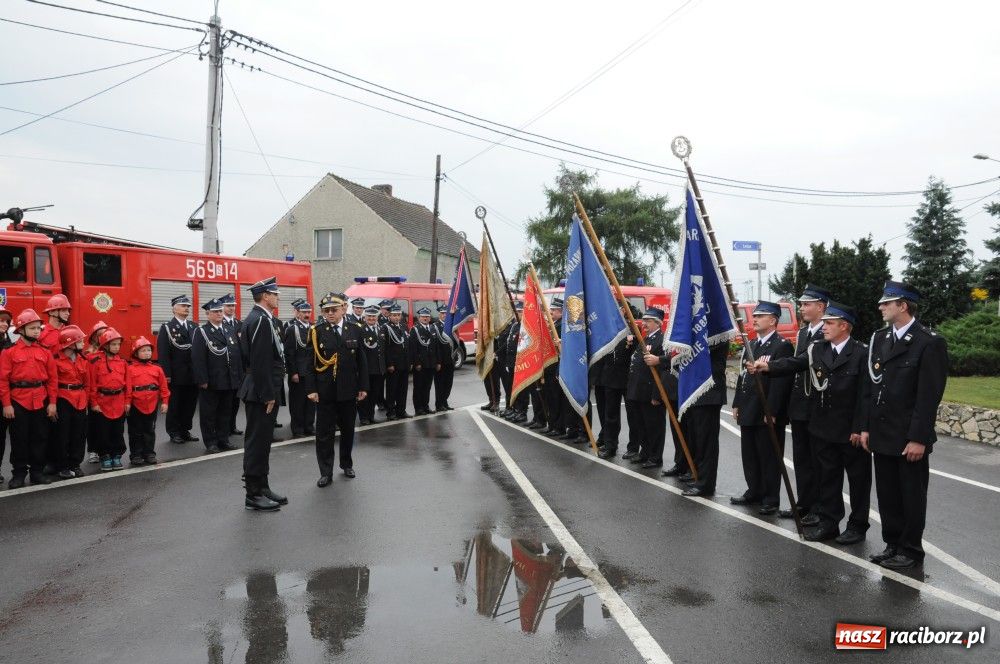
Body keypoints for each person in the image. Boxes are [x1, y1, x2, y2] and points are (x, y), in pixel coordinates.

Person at [755, 301, 872, 543]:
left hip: (849, 429)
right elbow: (796, 364)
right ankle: (829, 522)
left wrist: (860, 428)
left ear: (844, 326)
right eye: (825, 322)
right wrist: (769, 366)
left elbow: (865, 395)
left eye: (830, 323)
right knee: (828, 478)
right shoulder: (818, 349)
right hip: (822, 426)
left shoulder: (861, 352)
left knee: (858, 481)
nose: (825, 327)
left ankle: (857, 525)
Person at [862, 281, 948, 569]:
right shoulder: (881, 338)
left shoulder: (928, 342)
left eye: (888, 302)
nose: (881, 306)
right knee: (887, 495)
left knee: (911, 496)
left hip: (907, 435)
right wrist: (866, 427)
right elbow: (872, 389)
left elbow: (928, 396)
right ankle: (892, 543)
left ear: (904, 305)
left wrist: (919, 438)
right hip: (883, 433)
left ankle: (910, 550)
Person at [730, 301, 794, 515]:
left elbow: (781, 381)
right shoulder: (753, 345)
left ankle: (770, 497)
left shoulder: (781, 345)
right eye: (754, 316)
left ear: (773, 320)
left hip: (766, 409)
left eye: (760, 316)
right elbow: (743, 375)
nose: (754, 319)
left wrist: (773, 411)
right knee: (750, 454)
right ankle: (754, 491)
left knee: (768, 455)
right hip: (749, 407)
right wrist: (737, 402)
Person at [780, 284, 831, 523]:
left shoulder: (827, 333)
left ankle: (819, 509)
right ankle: (804, 504)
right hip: (800, 405)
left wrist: (770, 366)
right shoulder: (803, 333)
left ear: (820, 307)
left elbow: (802, 362)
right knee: (801, 459)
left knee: (818, 460)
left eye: (806, 304)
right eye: (801, 304)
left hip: (817, 405)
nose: (801, 308)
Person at [305, 293, 369, 486]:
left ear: (343, 309)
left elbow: (361, 361)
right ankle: (326, 472)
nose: (330, 314)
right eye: (326, 311)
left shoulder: (355, 329)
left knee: (348, 430)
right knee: (324, 433)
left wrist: (363, 386)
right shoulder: (317, 331)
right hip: (325, 391)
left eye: (334, 310)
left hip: (348, 390)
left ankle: (346, 463)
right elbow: (310, 363)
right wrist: (311, 389)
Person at [238, 277, 288, 511]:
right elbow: (260, 361)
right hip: (261, 392)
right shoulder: (259, 321)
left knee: (263, 442)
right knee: (256, 443)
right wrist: (268, 394)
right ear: (265, 296)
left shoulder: (264, 319)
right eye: (275, 294)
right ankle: (253, 494)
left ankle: (263, 486)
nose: (278, 298)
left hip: (266, 389)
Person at [0, 309, 57, 488]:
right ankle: (18, 474)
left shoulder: (45, 352)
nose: (36, 331)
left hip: (40, 400)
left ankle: (37, 473)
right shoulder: (9, 352)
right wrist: (7, 405)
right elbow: (2, 380)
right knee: (19, 440)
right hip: (18, 401)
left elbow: (53, 379)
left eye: (38, 328)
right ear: (21, 330)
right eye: (32, 328)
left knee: (40, 438)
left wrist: (53, 403)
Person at [677, 341, 729, 496]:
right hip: (694, 392)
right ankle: (698, 476)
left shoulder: (717, 332)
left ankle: (706, 484)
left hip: (709, 393)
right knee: (697, 440)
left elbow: (702, 352)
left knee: (707, 443)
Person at [193, 298, 243, 454]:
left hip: (229, 379)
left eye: (220, 311)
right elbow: (198, 358)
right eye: (215, 311)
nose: (219, 314)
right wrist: (202, 380)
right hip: (212, 380)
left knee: (225, 412)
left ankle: (223, 439)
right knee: (209, 413)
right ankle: (211, 442)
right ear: (208, 314)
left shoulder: (229, 329)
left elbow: (236, 355)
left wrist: (239, 377)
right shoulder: (202, 332)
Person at [625, 309, 667, 469]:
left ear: (658, 323)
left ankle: (655, 457)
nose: (644, 324)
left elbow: (664, 369)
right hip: (638, 391)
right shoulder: (646, 339)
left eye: (648, 321)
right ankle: (645, 452)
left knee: (654, 426)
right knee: (641, 424)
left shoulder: (661, 341)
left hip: (651, 392)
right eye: (643, 320)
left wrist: (657, 394)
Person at [157, 294, 200, 445]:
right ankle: (174, 432)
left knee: (190, 404)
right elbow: (163, 354)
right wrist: (166, 374)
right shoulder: (167, 328)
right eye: (183, 306)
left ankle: (185, 430)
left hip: (192, 374)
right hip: (176, 375)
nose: (186, 308)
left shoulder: (194, 327)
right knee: (175, 404)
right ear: (174, 309)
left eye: (188, 306)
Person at [88, 328, 131, 473]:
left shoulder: (123, 363)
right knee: (103, 432)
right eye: (113, 345)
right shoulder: (96, 361)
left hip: (118, 401)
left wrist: (127, 402)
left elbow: (128, 384)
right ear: (105, 345)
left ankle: (116, 455)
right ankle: (105, 456)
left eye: (118, 344)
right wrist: (93, 403)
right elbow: (92, 384)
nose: (117, 347)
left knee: (117, 431)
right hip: (102, 402)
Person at [51, 325, 89, 479]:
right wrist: (52, 403)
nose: (83, 343)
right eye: (80, 340)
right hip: (63, 398)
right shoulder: (56, 360)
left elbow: (88, 382)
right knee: (62, 434)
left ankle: (75, 464)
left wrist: (88, 400)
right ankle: (63, 466)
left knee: (79, 434)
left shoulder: (83, 359)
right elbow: (52, 384)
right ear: (70, 343)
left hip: (80, 398)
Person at [595, 304, 633, 459]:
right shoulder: (608, 328)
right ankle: (610, 445)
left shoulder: (631, 329)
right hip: (610, 378)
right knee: (610, 415)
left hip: (627, 378)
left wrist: (633, 341)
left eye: (618, 308)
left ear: (624, 310)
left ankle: (634, 448)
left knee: (633, 416)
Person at [127, 336, 169, 466]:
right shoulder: (130, 369)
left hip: (151, 404)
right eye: (143, 350)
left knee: (149, 430)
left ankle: (149, 453)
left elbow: (163, 387)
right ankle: (136, 455)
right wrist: (127, 403)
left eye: (149, 350)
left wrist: (165, 402)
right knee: (135, 431)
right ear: (136, 353)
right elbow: (128, 388)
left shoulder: (157, 369)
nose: (147, 353)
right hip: (135, 405)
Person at [284, 298, 316, 437]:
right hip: (298, 373)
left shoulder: (313, 328)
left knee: (311, 401)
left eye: (309, 311)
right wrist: (293, 373)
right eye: (304, 312)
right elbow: (289, 353)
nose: (307, 314)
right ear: (298, 313)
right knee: (297, 402)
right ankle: (297, 429)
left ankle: (309, 426)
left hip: (311, 372)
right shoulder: (292, 329)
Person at [83, 320, 108, 465]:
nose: (103, 336)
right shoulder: (88, 354)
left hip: (109, 397)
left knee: (107, 425)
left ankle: (105, 450)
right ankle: (93, 451)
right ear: (93, 338)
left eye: (105, 334)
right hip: (95, 394)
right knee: (93, 424)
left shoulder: (110, 352)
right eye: (99, 335)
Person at [358, 306, 386, 425]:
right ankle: (364, 417)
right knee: (365, 394)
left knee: (374, 394)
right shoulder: (361, 330)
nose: (371, 318)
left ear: (377, 317)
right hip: (367, 368)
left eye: (373, 316)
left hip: (379, 368)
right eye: (369, 316)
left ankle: (371, 416)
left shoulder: (380, 329)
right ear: (365, 317)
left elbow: (382, 350)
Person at [409, 307, 439, 415]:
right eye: (423, 316)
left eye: (427, 316)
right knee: (418, 387)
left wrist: (437, 362)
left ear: (430, 318)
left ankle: (426, 406)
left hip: (430, 363)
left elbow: (435, 347)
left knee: (427, 386)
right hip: (420, 364)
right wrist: (416, 362)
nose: (425, 318)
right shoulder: (415, 330)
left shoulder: (432, 329)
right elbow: (413, 348)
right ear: (419, 318)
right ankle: (418, 408)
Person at [221, 293, 244, 436]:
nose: (231, 308)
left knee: (236, 400)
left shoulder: (239, 324)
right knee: (226, 402)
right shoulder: (220, 323)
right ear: (222, 307)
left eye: (233, 306)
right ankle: (224, 428)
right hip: (226, 369)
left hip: (238, 368)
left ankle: (232, 425)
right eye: (228, 306)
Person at [541, 298, 564, 436]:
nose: (551, 312)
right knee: (550, 397)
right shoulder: (554, 325)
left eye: (554, 310)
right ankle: (552, 424)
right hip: (550, 366)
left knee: (556, 398)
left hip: (556, 364)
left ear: (561, 311)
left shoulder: (561, 326)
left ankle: (558, 426)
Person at [382, 304, 410, 420]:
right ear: (389, 316)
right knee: (392, 390)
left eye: (398, 315)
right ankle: (391, 412)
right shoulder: (386, 328)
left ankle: (401, 410)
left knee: (403, 389)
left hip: (404, 364)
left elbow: (407, 345)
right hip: (393, 365)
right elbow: (385, 348)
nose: (397, 317)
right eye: (394, 315)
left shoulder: (404, 327)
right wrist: (389, 364)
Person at [432, 305, 456, 412]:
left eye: (446, 313)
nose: (445, 315)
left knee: (448, 384)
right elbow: (435, 346)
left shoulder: (452, 326)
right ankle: (439, 404)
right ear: (439, 315)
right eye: (442, 313)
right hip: (441, 361)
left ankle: (445, 402)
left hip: (450, 359)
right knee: (440, 384)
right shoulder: (435, 327)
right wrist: (437, 361)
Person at [0, 307, 13, 487]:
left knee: (1, 436)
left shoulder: (8, 343)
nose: (4, 324)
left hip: (3, 396)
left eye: (6, 321)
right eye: (1, 321)